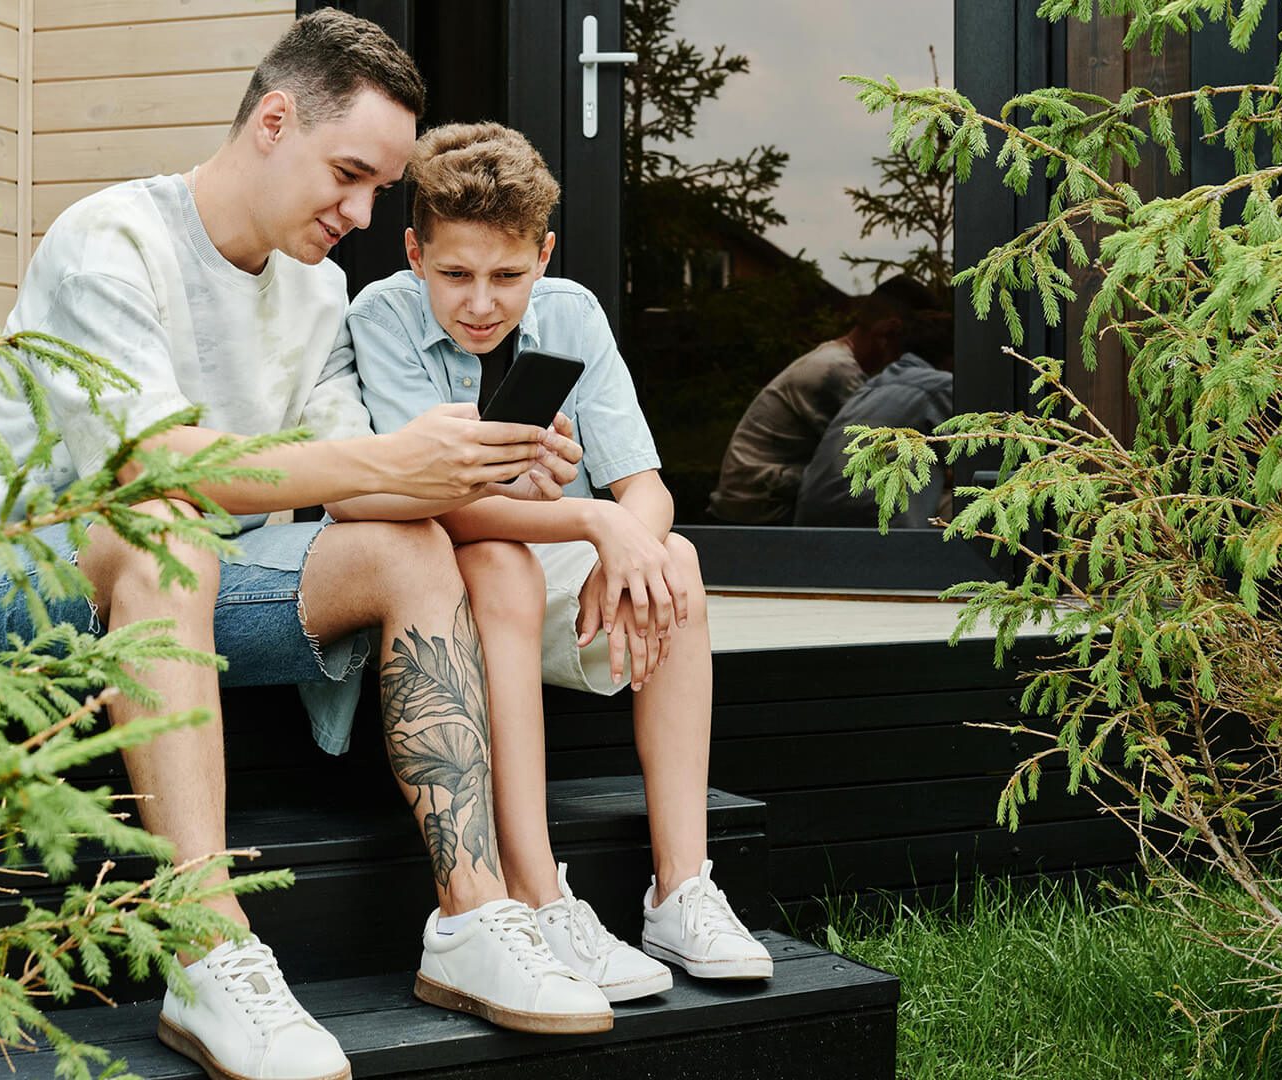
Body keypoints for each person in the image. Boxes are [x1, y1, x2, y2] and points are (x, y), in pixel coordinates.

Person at [0, 15, 613, 1080]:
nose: (356, 215)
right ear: (272, 120)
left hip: (208, 590)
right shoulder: (110, 238)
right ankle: (208, 948)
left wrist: (476, 469)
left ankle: (472, 919)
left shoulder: (314, 288)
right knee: (163, 522)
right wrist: (389, 462)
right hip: (27, 593)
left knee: (407, 547)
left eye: (376, 191)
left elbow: (351, 463)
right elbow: (154, 465)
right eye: (347, 175)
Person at [343, 122, 773, 1005]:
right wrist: (584, 517)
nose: (479, 303)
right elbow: (430, 501)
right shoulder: (378, 319)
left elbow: (643, 486)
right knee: (503, 555)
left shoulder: (572, 312)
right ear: (415, 250)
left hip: (545, 582)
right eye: (454, 274)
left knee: (676, 561)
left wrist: (629, 543)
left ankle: (680, 887)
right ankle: (539, 895)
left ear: (542, 253)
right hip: (448, 596)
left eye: (507, 275)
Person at [708, 276, 942, 524]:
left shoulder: (836, 362)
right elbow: (864, 455)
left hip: (759, 500)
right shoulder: (837, 373)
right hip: (758, 510)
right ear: (888, 333)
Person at [792, 347, 954, 529]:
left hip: (812, 510)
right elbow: (973, 459)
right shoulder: (940, 385)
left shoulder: (875, 384)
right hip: (877, 518)